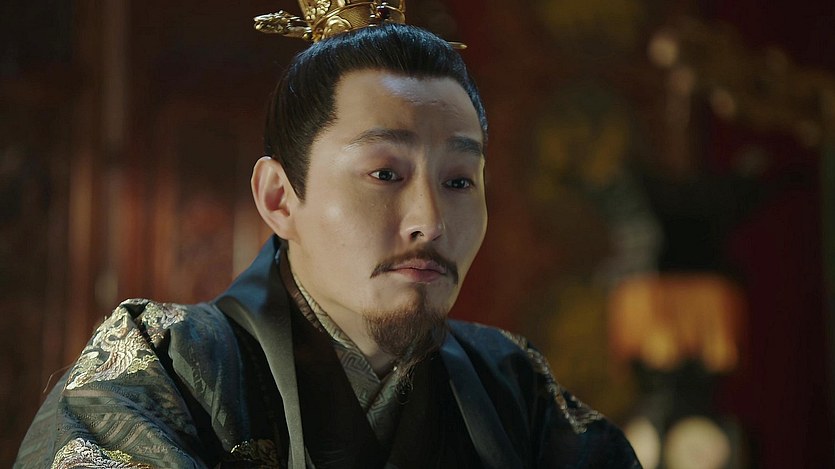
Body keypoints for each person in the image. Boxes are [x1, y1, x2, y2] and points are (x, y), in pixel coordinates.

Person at [16, 3, 639, 468]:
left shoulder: (514, 388)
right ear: (279, 197)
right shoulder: (162, 369)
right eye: (385, 174)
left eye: (458, 181)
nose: (430, 221)